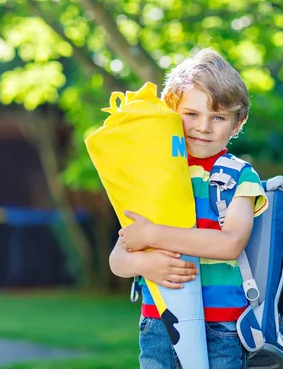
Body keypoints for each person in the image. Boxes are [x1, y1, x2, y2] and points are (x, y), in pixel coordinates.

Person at [109, 48, 268, 369]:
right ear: (171, 111)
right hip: (159, 322)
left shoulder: (238, 176)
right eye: (191, 114)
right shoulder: (155, 175)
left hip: (221, 327)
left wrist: (154, 234)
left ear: (238, 124)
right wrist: (144, 263)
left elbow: (229, 244)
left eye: (218, 117)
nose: (204, 127)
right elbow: (117, 260)